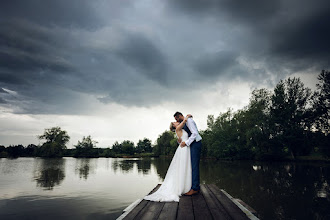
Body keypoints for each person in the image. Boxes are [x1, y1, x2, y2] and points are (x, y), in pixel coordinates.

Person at [144, 114, 192, 202]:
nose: (177, 122)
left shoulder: (180, 129)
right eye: (175, 122)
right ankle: (182, 186)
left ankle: (185, 185)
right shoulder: (178, 129)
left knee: (183, 167)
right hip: (183, 149)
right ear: (174, 126)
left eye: (176, 121)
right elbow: (184, 121)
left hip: (184, 148)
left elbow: (181, 137)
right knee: (182, 167)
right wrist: (188, 116)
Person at [174, 111, 202, 196]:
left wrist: (186, 143)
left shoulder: (188, 121)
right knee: (192, 165)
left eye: (176, 119)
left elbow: (194, 133)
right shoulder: (185, 122)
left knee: (194, 166)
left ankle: (195, 188)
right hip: (192, 144)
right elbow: (182, 136)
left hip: (196, 143)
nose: (177, 121)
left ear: (179, 116)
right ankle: (195, 185)